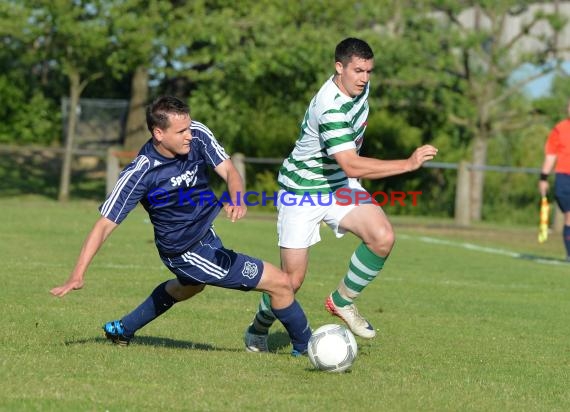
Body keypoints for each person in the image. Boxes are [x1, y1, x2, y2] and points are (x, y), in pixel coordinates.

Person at [50, 96, 311, 356]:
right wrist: (77, 274)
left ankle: (123, 328)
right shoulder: (140, 172)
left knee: (188, 287)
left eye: (188, 127)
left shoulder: (197, 135)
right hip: (185, 250)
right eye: (181, 131)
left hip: (205, 234)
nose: (189, 134)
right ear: (159, 133)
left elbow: (230, 171)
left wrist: (237, 197)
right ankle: (307, 347)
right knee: (281, 283)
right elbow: (104, 225)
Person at [244, 37, 438, 352]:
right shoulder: (329, 106)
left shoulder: (360, 87)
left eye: (369, 71)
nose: (364, 78)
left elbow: (346, 167)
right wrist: (408, 163)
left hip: (338, 187)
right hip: (303, 191)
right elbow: (350, 164)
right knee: (290, 283)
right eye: (358, 70)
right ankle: (258, 328)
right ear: (339, 68)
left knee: (382, 237)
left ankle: (341, 301)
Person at [539, 99, 570, 262]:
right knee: (569, 216)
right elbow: (551, 155)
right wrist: (543, 178)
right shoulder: (560, 129)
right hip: (564, 177)